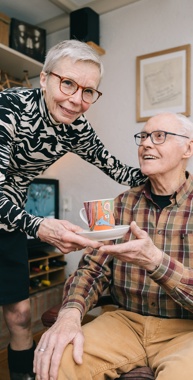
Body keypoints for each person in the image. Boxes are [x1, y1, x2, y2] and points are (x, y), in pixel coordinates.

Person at [0, 39, 146, 380]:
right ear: (44, 78)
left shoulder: (76, 128)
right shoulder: (8, 107)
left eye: (88, 91)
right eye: (68, 83)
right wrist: (37, 226)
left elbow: (118, 170)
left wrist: (166, 168)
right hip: (16, 216)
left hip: (8, 223)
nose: (76, 99)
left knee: (20, 315)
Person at [34, 112, 193, 380]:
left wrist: (155, 262)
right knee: (56, 361)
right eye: (142, 137)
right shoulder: (120, 204)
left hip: (186, 330)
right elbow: (91, 269)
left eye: (159, 136)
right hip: (124, 322)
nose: (146, 144)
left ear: (188, 148)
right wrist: (70, 314)